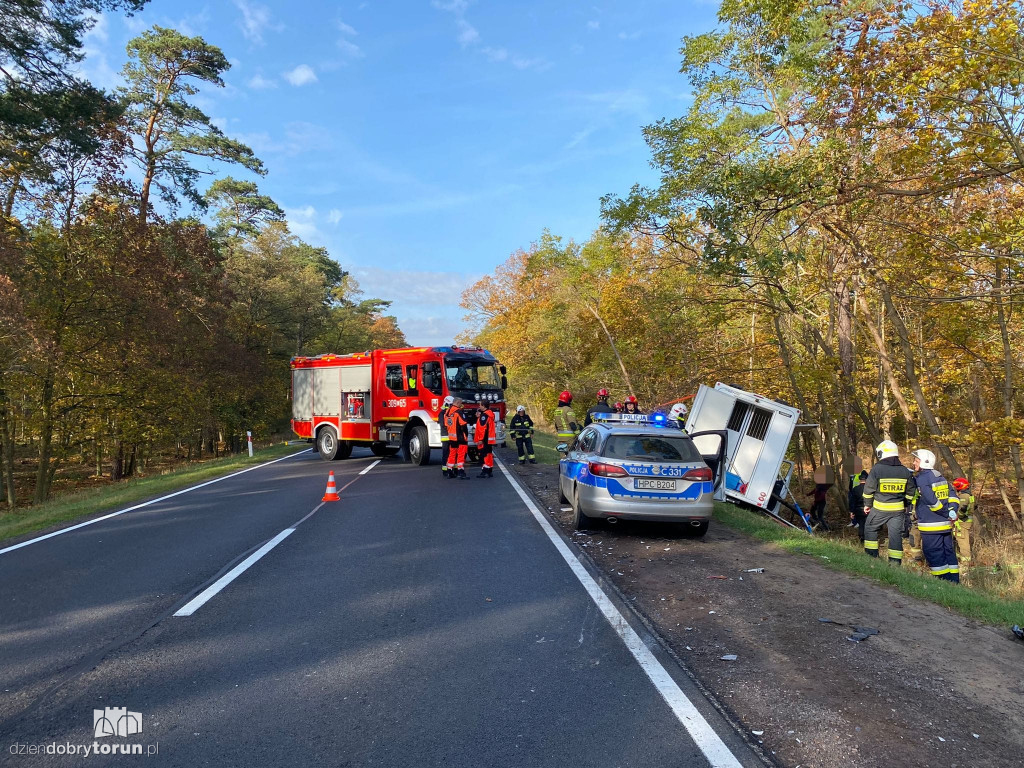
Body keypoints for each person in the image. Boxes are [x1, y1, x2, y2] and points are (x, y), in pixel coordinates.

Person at [906, 448, 960, 583]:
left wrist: (945, 512)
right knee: (948, 553)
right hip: (945, 525)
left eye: (916, 460)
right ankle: (954, 582)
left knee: (934, 553)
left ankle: (942, 583)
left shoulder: (922, 479)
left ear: (924, 462)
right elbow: (952, 495)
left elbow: (932, 502)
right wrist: (952, 509)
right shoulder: (939, 476)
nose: (914, 463)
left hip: (931, 526)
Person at [862, 440, 913, 566]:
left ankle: (871, 558)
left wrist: (867, 504)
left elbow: (868, 490)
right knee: (895, 536)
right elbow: (911, 492)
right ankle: (895, 564)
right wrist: (905, 504)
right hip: (898, 512)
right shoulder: (905, 471)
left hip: (879, 508)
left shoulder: (877, 469)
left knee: (870, 529)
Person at [444, 398, 470, 480]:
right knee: (461, 454)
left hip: (452, 436)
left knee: (452, 454)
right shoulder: (459, 412)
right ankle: (461, 471)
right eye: (461, 403)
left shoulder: (447, 412)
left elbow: (446, 424)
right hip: (460, 437)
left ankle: (449, 471)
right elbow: (463, 425)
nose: (461, 405)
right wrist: (466, 435)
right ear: (458, 403)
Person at [951, 477, 974, 562]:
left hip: (962, 522)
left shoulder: (964, 496)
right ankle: (959, 559)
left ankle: (965, 563)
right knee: (958, 541)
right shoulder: (970, 495)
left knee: (963, 542)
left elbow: (962, 509)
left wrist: (956, 517)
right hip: (965, 522)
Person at [476, 404, 498, 477]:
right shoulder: (490, 414)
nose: (479, 406)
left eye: (480, 405)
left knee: (484, 454)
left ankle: (485, 471)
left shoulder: (484, 416)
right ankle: (489, 470)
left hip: (484, 439)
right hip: (489, 438)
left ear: (484, 406)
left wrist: (481, 439)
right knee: (488, 454)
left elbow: (483, 429)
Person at [848, 468, 868, 541]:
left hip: (858, 510)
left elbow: (852, 501)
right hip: (869, 509)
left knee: (861, 524)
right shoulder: (870, 488)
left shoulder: (855, 489)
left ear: (860, 479)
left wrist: (851, 511)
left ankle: (861, 538)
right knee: (868, 524)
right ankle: (868, 538)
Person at [438, 395, 454, 478]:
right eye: (451, 405)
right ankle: (445, 470)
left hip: (451, 436)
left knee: (452, 454)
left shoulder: (449, 412)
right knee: (445, 454)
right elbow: (443, 424)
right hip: (445, 436)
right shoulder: (442, 413)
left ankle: (451, 469)